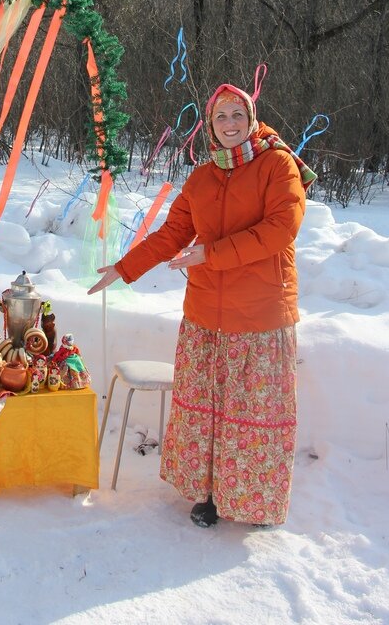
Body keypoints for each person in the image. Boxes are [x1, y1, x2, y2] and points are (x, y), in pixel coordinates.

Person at [88, 83, 316, 528]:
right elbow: (173, 234)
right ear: (210, 127)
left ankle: (255, 502)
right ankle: (208, 495)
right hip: (206, 316)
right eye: (220, 117)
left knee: (251, 416)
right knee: (207, 413)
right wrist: (124, 268)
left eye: (237, 115)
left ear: (251, 119)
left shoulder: (277, 165)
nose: (230, 124)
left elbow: (279, 230)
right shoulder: (204, 176)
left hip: (259, 317)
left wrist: (210, 254)